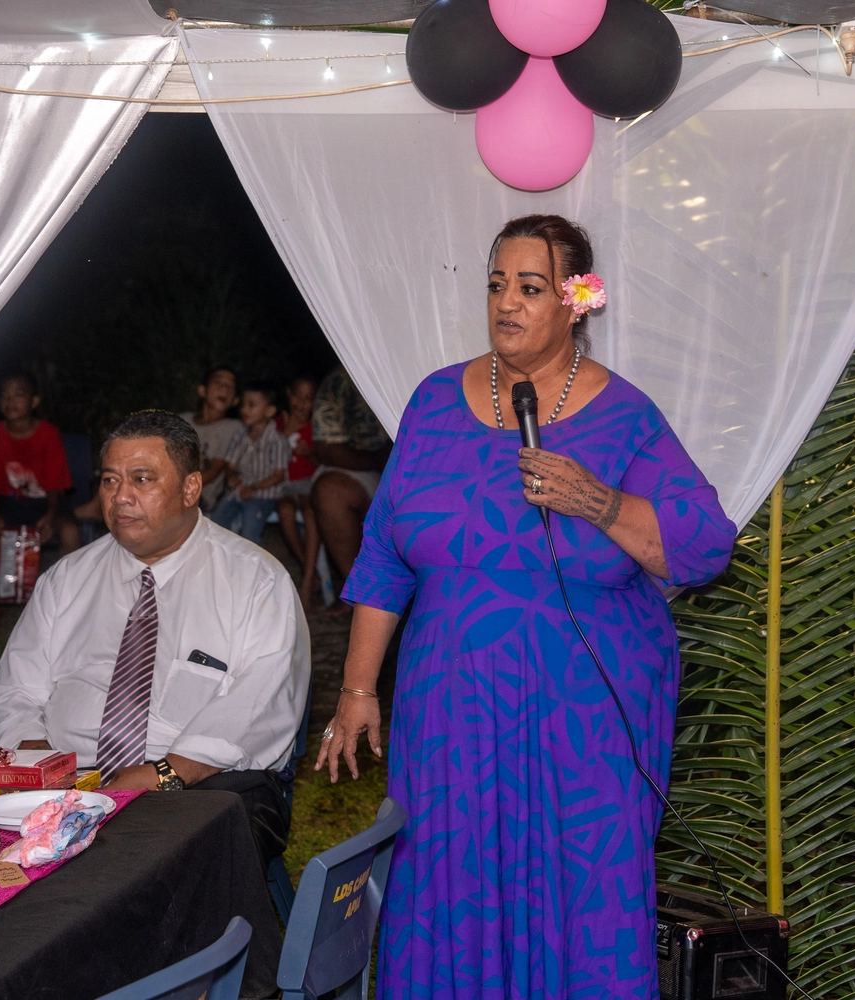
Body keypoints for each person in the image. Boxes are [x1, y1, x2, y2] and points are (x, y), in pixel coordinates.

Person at [316, 215, 736, 998]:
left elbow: (706, 544)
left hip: (582, 727)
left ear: (578, 302)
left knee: (580, 903)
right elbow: (384, 553)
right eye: (496, 284)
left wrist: (600, 502)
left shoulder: (626, 416)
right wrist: (358, 689)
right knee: (446, 888)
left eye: (531, 287)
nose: (506, 302)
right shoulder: (433, 401)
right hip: (449, 720)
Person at [0, 409, 308, 871]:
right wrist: (36, 758)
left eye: (142, 479)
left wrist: (163, 774)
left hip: (198, 782)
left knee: (167, 861)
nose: (121, 497)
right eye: (110, 480)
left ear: (190, 488)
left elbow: (261, 704)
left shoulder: (255, 581)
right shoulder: (67, 580)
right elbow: (12, 688)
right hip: (71, 782)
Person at [0, 373, 80, 635]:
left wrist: (51, 514)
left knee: (70, 532)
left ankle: (61, 609)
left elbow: (55, 485)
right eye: (4, 395)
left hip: (44, 502)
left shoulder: (48, 434)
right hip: (6, 504)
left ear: (34, 401)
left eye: (19, 394)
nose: (10, 401)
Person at [309, 367, 391, 609]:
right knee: (330, 493)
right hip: (368, 466)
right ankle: (359, 593)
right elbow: (327, 448)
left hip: (422, 465)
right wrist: (381, 460)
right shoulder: (339, 382)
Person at [210, 382, 289, 544]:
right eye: (243, 404)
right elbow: (231, 466)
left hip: (263, 495)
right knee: (215, 525)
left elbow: (278, 475)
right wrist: (232, 477)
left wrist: (253, 488)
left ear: (269, 411)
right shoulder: (240, 435)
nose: (244, 410)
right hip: (239, 491)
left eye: (251, 405)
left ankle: (250, 558)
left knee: (249, 533)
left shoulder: (276, 440)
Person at [275, 376, 320, 604]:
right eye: (297, 397)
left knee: (311, 512)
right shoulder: (277, 422)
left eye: (309, 398)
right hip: (283, 483)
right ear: (289, 395)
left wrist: (310, 454)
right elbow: (266, 456)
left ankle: (308, 580)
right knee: (285, 510)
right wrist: (287, 431)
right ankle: (306, 565)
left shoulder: (317, 427)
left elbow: (323, 463)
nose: (302, 404)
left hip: (308, 482)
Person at [178, 366, 243, 513]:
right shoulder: (183, 420)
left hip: (199, 501)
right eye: (218, 382)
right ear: (203, 391)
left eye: (230, 386)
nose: (224, 389)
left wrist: (178, 490)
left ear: (235, 400)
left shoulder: (232, 428)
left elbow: (214, 470)